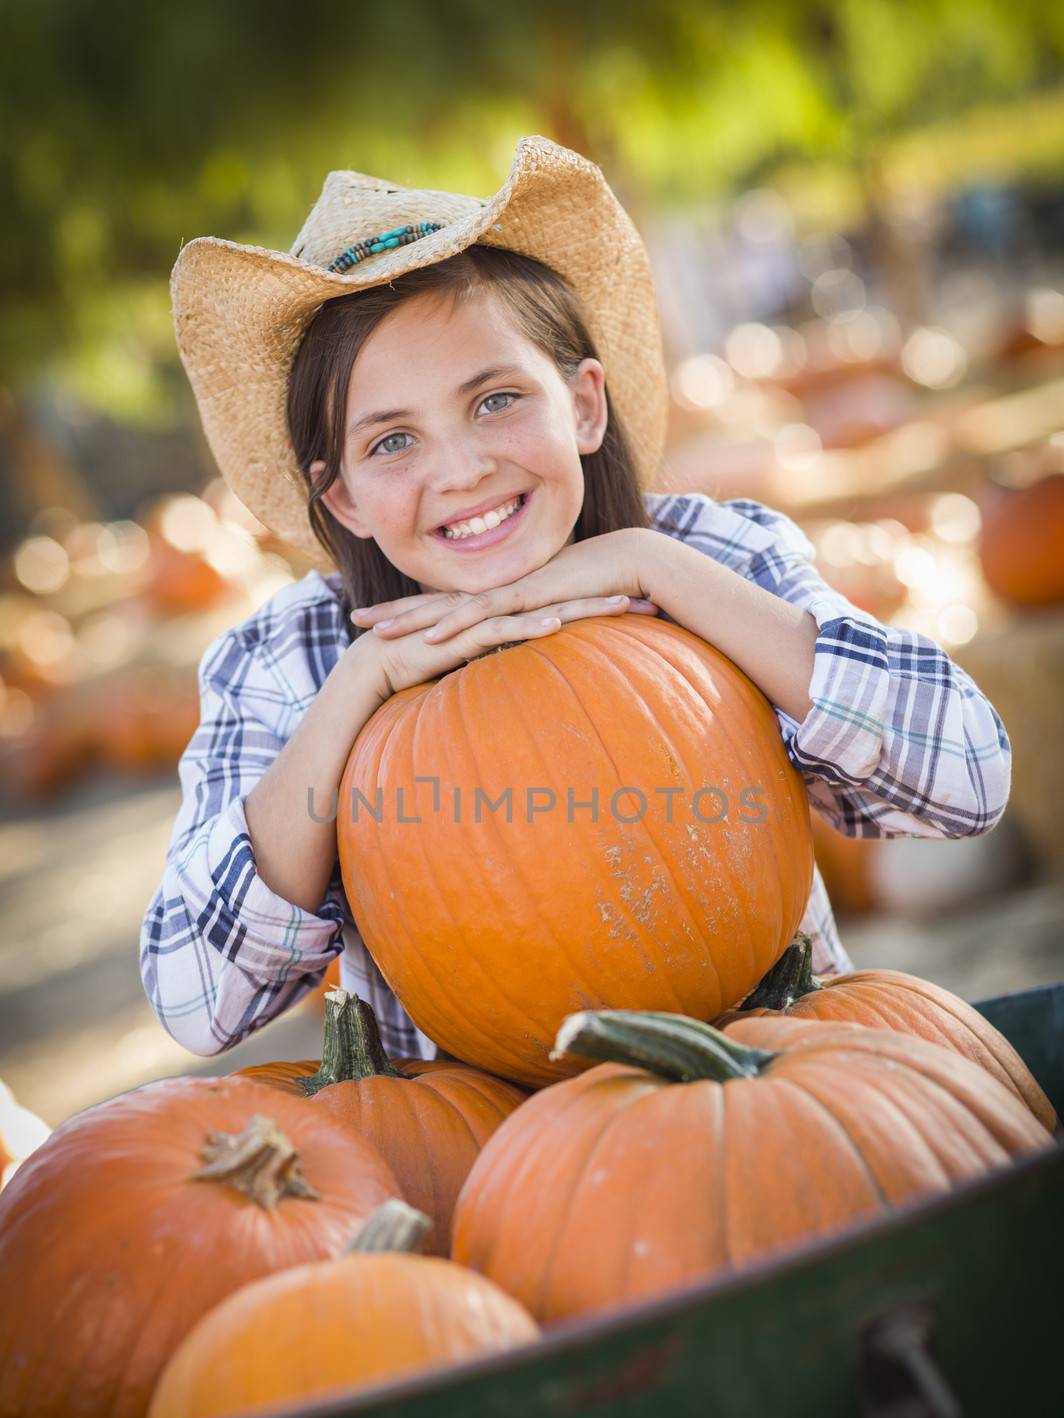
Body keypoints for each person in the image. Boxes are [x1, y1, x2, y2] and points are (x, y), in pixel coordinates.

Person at [140, 136, 1011, 1059]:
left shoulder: (709, 554)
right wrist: (358, 688)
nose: (463, 470)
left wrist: (654, 569)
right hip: (505, 1161)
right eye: (392, 442)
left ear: (583, 405)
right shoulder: (288, 658)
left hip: (783, 1081)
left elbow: (967, 780)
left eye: (494, 401)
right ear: (342, 496)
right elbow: (200, 1005)